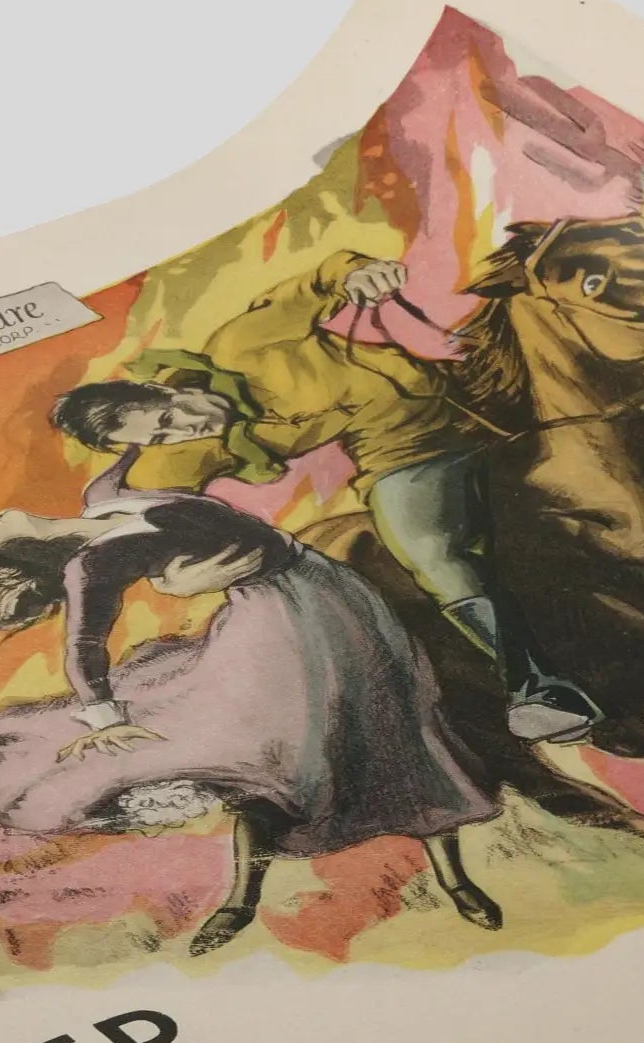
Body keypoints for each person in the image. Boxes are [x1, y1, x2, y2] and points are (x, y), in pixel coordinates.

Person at [0, 450, 506, 953]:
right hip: (273, 629)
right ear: (16, 546)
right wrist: (104, 716)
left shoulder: (103, 497)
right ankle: (241, 901)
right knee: (267, 761)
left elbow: (143, 448)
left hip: (336, 593)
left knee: (400, 728)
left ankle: (455, 879)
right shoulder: (90, 564)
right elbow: (84, 644)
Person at [46, 250, 600, 743]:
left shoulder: (243, 343)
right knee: (430, 551)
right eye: (163, 437)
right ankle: (537, 685)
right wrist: (167, 573)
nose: (186, 430)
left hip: (478, 387)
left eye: (170, 416)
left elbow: (316, 282)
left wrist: (359, 274)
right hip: (408, 451)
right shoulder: (186, 453)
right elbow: (128, 504)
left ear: (163, 388)